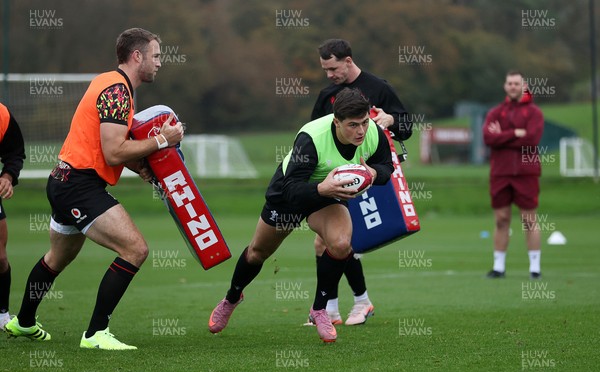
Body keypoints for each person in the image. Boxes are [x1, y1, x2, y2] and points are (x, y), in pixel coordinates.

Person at [4, 28, 184, 349]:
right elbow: (114, 151)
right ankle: (96, 334)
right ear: (137, 56)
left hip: (63, 179)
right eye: (155, 56)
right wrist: (161, 141)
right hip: (78, 186)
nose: (159, 62)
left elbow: (107, 147)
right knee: (135, 250)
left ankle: (24, 322)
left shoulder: (110, 82)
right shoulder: (117, 91)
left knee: (57, 258)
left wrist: (141, 167)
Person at [208, 88, 393, 342]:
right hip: (292, 192)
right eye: (352, 125)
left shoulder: (372, 132)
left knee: (340, 244)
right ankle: (232, 298)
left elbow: (387, 167)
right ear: (336, 121)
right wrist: (321, 188)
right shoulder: (311, 138)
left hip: (329, 195)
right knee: (257, 252)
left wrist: (372, 174)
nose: (360, 131)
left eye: (363, 122)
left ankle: (319, 309)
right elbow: (291, 190)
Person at [310, 38, 412, 325]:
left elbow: (407, 127)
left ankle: (355, 303)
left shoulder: (379, 87)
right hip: (332, 176)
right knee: (325, 243)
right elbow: (313, 132)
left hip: (366, 176)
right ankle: (334, 308)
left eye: (333, 68)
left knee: (340, 241)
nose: (329, 75)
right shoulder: (327, 95)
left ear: (349, 61)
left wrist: (391, 120)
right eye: (325, 69)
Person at [483, 70, 544, 279]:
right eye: (509, 83)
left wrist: (502, 135)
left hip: (526, 172)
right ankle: (498, 267)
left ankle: (535, 268)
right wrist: (515, 133)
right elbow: (488, 138)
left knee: (529, 219)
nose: (513, 87)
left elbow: (532, 139)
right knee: (501, 219)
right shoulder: (495, 112)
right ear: (505, 86)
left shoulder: (534, 113)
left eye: (516, 83)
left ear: (523, 85)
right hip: (500, 173)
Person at [0, 103, 26, 330]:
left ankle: (2, 315)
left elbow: (15, 152)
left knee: (0, 257)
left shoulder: (2, 115)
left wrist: (8, 176)